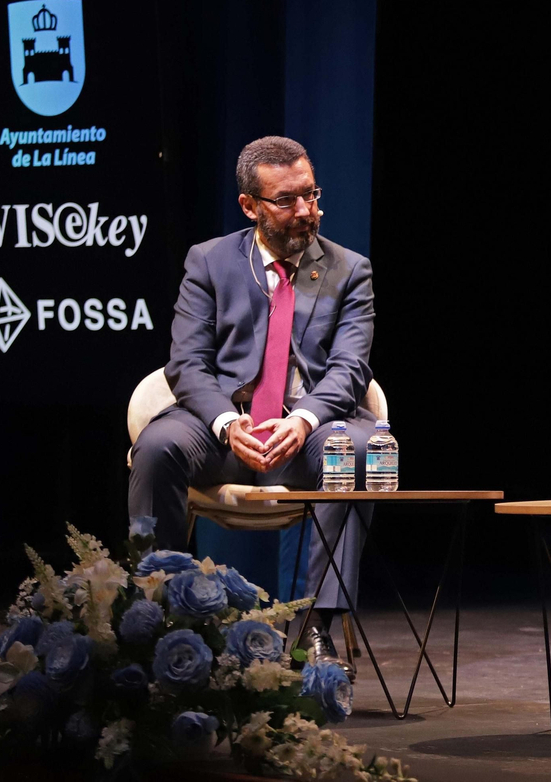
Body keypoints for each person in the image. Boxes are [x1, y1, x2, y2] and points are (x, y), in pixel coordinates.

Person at [128, 135, 377, 678]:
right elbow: (187, 363)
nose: (305, 211)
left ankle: (317, 628)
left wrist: (306, 416)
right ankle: (159, 614)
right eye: (286, 201)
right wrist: (224, 420)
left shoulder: (349, 270)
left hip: (306, 435)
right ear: (250, 206)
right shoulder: (210, 262)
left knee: (354, 446)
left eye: (311, 195)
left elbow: (351, 368)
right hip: (223, 430)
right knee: (157, 445)